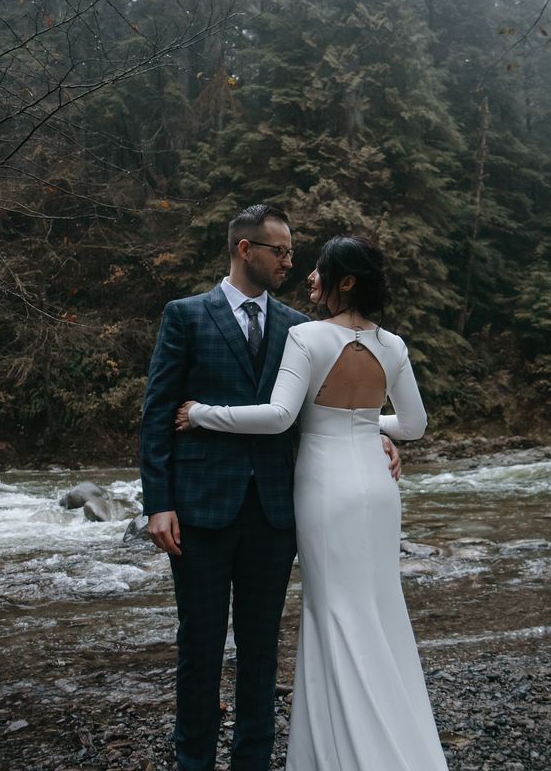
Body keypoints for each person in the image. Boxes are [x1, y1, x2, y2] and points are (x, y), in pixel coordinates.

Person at [139, 207, 401, 771]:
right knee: (200, 646)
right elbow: (158, 412)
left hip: (277, 511)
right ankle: (193, 762)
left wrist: (372, 435)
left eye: (291, 252)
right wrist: (157, 503)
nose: (289, 262)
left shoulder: (300, 328)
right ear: (244, 249)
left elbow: (315, 413)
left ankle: (252, 762)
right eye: (279, 251)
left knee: (261, 649)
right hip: (200, 508)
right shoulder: (185, 315)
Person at [175, 235, 450, 771]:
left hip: (326, 487)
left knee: (333, 610)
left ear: (345, 281)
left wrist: (202, 413)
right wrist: (367, 426)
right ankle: (396, 738)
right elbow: (414, 425)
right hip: (378, 488)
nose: (310, 276)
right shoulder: (393, 345)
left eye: (320, 270)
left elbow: (280, 416)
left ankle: (342, 749)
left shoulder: (306, 336)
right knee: (379, 605)